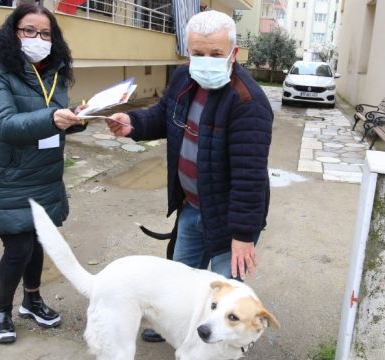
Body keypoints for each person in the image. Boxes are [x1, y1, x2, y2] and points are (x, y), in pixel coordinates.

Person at [105, 10, 273, 342]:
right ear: (187, 51)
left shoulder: (248, 102)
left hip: (228, 218)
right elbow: (164, 114)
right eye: (197, 53)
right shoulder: (184, 78)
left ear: (233, 54)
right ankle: (175, 325)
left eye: (215, 53)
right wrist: (134, 124)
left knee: (224, 293)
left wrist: (242, 235)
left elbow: (249, 177)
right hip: (193, 205)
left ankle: (218, 345)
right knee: (180, 277)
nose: (205, 60)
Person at [0, 4, 85, 344]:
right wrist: (53, 119)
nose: (39, 38)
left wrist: (78, 117)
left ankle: (32, 300)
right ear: (13, 32)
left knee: (38, 239)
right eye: (29, 31)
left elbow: (54, 120)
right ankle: (1, 310)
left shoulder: (54, 71)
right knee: (19, 245)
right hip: (5, 175)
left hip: (43, 175)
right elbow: (3, 125)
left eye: (46, 33)